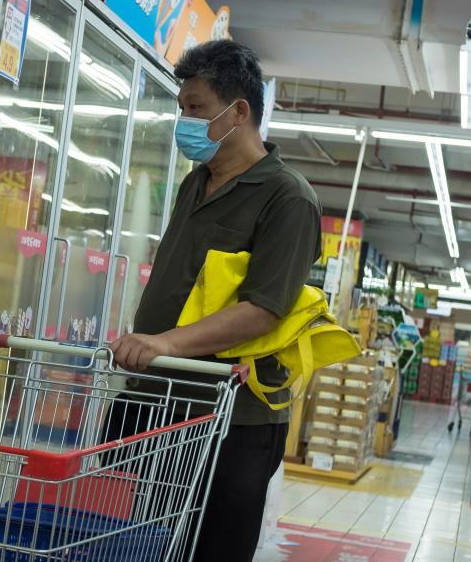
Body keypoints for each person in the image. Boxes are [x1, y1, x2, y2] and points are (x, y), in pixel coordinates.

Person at [108, 40, 322, 562]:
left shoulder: (287, 198)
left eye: (197, 108)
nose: (184, 119)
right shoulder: (194, 183)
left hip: (235, 417)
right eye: (182, 108)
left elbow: (262, 308)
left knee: (213, 552)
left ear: (239, 112)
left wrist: (162, 342)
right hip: (170, 406)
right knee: (156, 547)